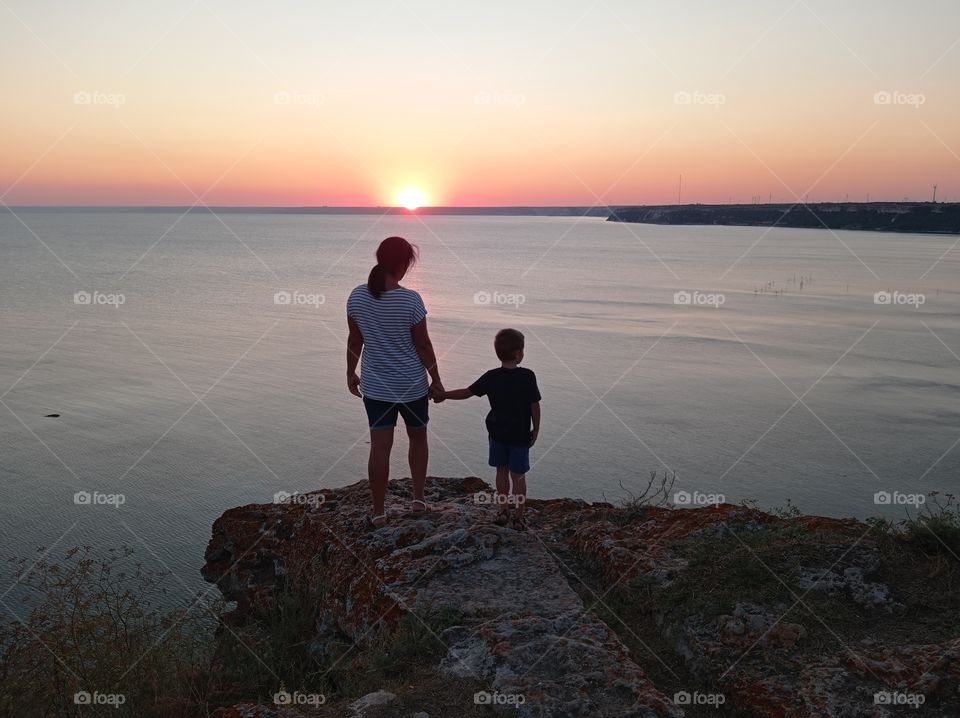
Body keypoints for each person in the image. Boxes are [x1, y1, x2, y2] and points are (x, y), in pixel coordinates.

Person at [346, 236, 445, 528]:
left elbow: (355, 340)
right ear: (402, 264)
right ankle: (418, 499)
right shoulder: (411, 300)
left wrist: (350, 372)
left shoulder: (357, 297)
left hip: (376, 387)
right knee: (418, 439)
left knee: (379, 447)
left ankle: (378, 512)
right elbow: (424, 345)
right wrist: (436, 379)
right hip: (411, 385)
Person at [441, 328, 541, 530]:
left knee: (501, 472)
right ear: (518, 354)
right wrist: (536, 429)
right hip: (520, 435)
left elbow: (467, 392)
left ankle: (503, 510)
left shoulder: (491, 376)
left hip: (497, 434)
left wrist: (444, 395)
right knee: (518, 476)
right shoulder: (528, 376)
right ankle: (519, 517)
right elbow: (534, 405)